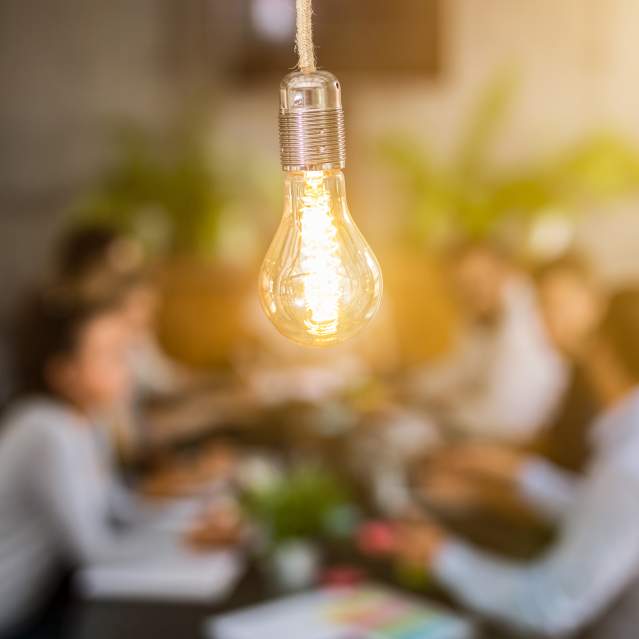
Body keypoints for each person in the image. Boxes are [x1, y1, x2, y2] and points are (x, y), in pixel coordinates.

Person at [393, 289, 639, 638]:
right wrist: (517, 472)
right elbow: (602, 514)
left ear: (604, 350)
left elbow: (548, 605)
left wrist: (440, 555)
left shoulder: (629, 462)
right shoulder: (626, 441)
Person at [0, 287, 242, 636]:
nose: (126, 368)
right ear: (63, 372)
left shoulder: (86, 420)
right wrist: (189, 542)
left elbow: (121, 509)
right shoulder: (46, 430)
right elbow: (96, 549)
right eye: (109, 356)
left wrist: (193, 529)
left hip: (36, 605)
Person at [408, 240, 566, 442]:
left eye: (478, 280)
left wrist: (435, 408)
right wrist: (411, 387)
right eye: (460, 285)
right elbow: (458, 369)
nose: (471, 292)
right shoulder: (482, 317)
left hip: (516, 440)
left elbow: (503, 413)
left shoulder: (530, 321)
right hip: (480, 426)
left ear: (504, 272)